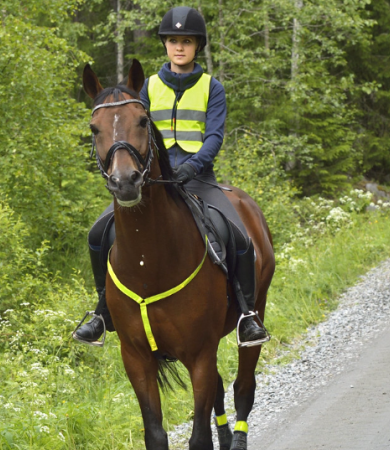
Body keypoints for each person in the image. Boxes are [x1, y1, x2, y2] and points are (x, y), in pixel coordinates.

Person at [73, 6, 268, 346]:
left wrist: (193, 165)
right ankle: (103, 312)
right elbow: (136, 131)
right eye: (174, 40)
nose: (180, 47)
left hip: (198, 177)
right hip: (153, 178)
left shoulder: (212, 87)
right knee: (97, 234)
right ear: (165, 45)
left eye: (187, 41)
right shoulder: (148, 86)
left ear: (197, 46)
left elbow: (215, 136)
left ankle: (246, 315)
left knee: (238, 236)